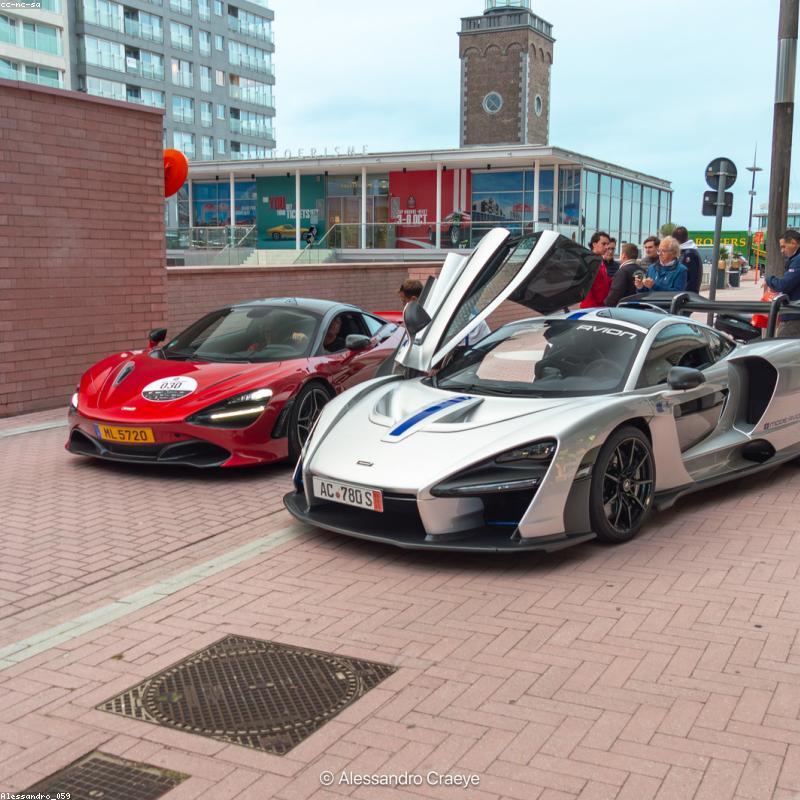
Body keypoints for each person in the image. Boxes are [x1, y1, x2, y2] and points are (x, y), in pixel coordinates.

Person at [764, 229, 800, 337]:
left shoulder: (798, 260)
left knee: (781, 348)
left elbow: (784, 285)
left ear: (793, 242)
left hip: (794, 316)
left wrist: (769, 279)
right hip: (794, 313)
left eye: (784, 246)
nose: (782, 251)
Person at [579, 231, 611, 308]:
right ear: (594, 244)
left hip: (601, 306)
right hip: (591, 309)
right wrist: (591, 309)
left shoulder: (600, 260)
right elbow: (586, 288)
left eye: (607, 244)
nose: (607, 247)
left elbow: (604, 282)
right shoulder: (588, 261)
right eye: (603, 244)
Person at [673, 226, 703, 293]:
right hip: (689, 293)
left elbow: (689, 278)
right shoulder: (691, 251)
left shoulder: (688, 254)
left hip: (687, 295)